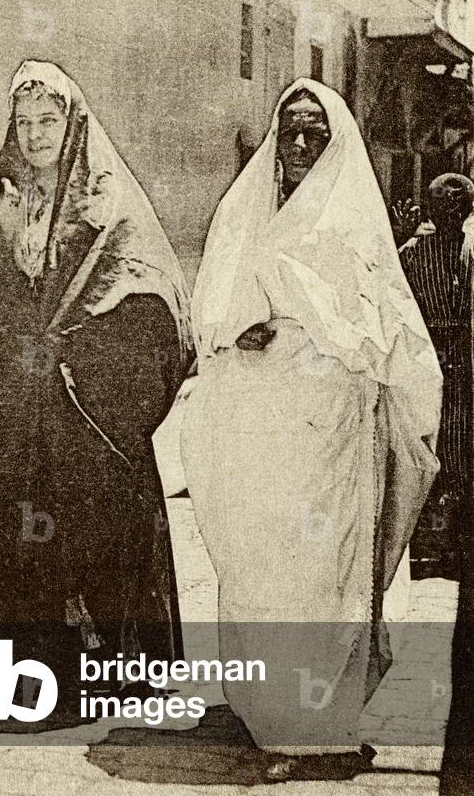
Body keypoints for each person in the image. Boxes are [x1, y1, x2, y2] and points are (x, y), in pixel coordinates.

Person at [181, 79, 442, 779]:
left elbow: (378, 324)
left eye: (314, 133)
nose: (299, 145)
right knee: (254, 565)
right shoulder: (244, 211)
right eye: (290, 130)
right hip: (252, 425)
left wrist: (302, 330)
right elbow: (213, 312)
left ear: (333, 143)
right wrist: (243, 333)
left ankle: (311, 730)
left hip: (325, 429)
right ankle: (259, 701)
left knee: (317, 577)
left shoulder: (350, 219)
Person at [0, 60, 192, 706]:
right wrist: (8, 254)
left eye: (47, 120)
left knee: (106, 538)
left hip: (89, 418)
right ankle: (34, 683)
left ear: (71, 122)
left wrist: (73, 345)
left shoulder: (105, 202)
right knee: (27, 539)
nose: (34, 135)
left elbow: (148, 293)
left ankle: (122, 675)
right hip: (22, 421)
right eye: (22, 123)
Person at [400, 173, 474, 579]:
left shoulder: (471, 250)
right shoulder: (411, 253)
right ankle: (430, 552)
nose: (452, 214)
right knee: (430, 449)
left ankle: (462, 545)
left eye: (459, 207)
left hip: (464, 363)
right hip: (426, 361)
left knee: (462, 451)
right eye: (444, 206)